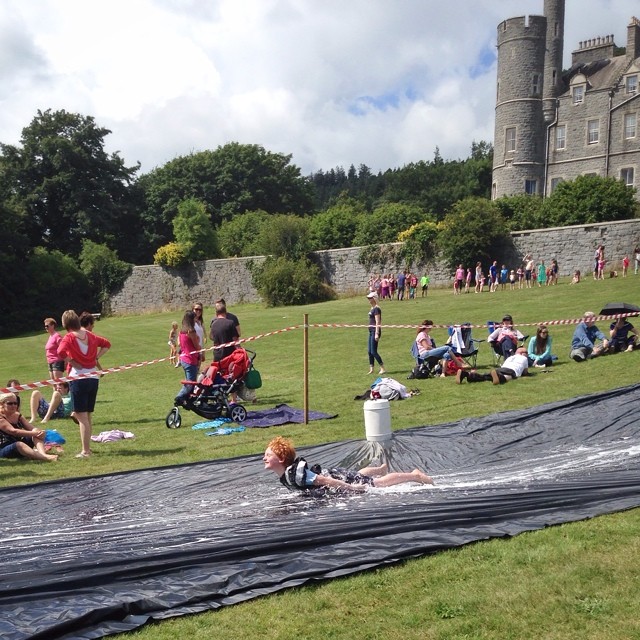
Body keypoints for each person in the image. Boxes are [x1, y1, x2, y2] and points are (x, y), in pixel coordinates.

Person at [263, 436, 434, 494]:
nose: (264, 458)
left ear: (281, 459)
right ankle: (380, 469)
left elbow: (326, 481)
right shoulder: (286, 475)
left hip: (334, 478)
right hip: (336, 475)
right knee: (357, 474)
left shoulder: (297, 474)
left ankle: (414, 475)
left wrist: (352, 489)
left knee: (374, 484)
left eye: (268, 455)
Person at [57, 310, 111, 458]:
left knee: (82, 417)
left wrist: (72, 361)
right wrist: (95, 358)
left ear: (65, 324)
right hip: (93, 378)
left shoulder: (68, 337)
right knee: (87, 415)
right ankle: (88, 448)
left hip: (78, 379)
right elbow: (107, 344)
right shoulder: (90, 335)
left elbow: (60, 352)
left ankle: (85, 451)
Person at [0, 393, 58, 462]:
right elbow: (14, 431)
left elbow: (31, 428)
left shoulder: (18, 415)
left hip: (18, 444)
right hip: (3, 448)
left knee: (36, 431)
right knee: (19, 444)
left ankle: (43, 454)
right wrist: (35, 433)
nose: (13, 406)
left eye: (15, 403)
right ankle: (44, 457)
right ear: (2, 404)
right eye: (10, 403)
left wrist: (39, 432)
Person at [456, 347, 530, 385]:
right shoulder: (524, 358)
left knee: (484, 377)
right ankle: (498, 376)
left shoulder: (510, 357)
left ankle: (467, 374)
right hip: (512, 370)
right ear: (523, 353)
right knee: (508, 377)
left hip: (501, 368)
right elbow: (525, 372)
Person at [175, 310, 201, 405]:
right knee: (191, 383)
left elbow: (180, 344)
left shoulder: (182, 331)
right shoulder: (191, 331)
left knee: (190, 381)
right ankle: (179, 398)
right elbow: (197, 346)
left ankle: (188, 399)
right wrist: (198, 340)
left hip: (184, 359)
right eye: (194, 318)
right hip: (190, 360)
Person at [366, 292, 385, 375]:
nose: (369, 300)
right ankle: (371, 368)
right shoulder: (372, 308)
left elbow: (378, 321)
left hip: (375, 331)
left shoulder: (376, 309)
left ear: (374, 298)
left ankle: (382, 368)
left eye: (370, 298)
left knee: (374, 351)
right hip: (370, 331)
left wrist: (377, 333)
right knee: (369, 351)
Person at [192, 302, 207, 368]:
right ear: (192, 310)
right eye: (196, 309)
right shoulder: (190, 322)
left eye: (200, 310)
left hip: (200, 350)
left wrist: (203, 352)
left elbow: (201, 337)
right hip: (193, 351)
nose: (198, 311)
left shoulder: (200, 322)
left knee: (197, 371)